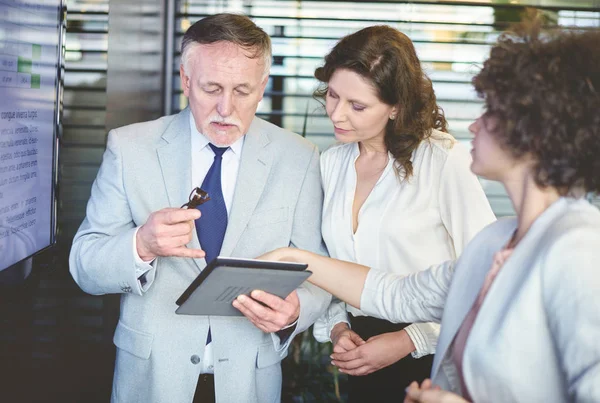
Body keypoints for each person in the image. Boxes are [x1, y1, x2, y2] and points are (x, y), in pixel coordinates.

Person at [256, 17, 600, 403]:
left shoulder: (578, 248)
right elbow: (395, 293)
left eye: (492, 111)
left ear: (536, 133)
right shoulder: (495, 242)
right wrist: (294, 258)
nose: (473, 124)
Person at [69, 13, 331, 403]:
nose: (226, 108)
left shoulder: (300, 158)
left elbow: (317, 273)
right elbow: (85, 266)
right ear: (186, 81)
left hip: (250, 381)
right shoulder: (129, 148)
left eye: (242, 91)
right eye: (212, 89)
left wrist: (294, 311)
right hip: (151, 378)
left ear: (262, 89)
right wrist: (140, 245)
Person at [315, 25, 495, 401]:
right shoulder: (331, 165)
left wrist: (409, 339)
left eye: (357, 106)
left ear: (396, 106)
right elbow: (325, 266)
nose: (337, 113)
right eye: (333, 95)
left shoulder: (443, 161)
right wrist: (338, 329)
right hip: (359, 355)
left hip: (432, 362)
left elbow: (487, 275)